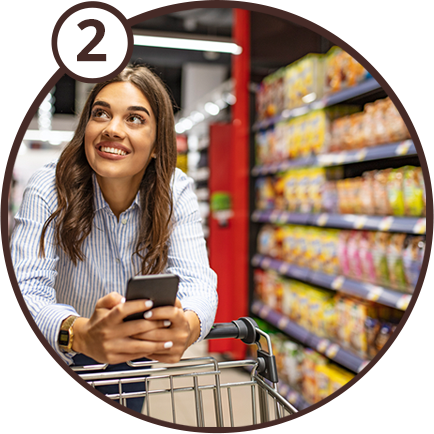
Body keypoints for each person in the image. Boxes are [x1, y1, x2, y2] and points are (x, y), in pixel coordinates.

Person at [9, 64, 218, 426]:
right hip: (55, 353)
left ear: (157, 144)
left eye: (135, 119)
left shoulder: (174, 190)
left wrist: (189, 323)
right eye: (101, 113)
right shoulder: (48, 187)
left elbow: (199, 281)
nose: (112, 128)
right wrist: (79, 333)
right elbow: (22, 293)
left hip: (128, 362)